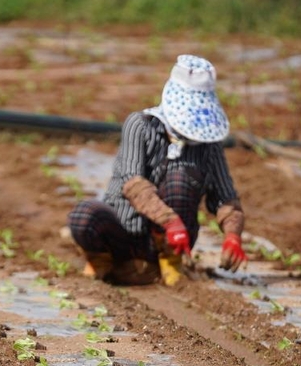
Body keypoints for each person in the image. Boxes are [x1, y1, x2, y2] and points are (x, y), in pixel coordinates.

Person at [67, 54, 246, 286]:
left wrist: (233, 235)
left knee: (181, 176)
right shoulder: (140, 125)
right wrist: (170, 221)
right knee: (84, 216)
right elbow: (133, 184)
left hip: (174, 241)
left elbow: (225, 197)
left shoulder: (208, 144)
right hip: (126, 230)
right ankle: (105, 260)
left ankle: (169, 262)